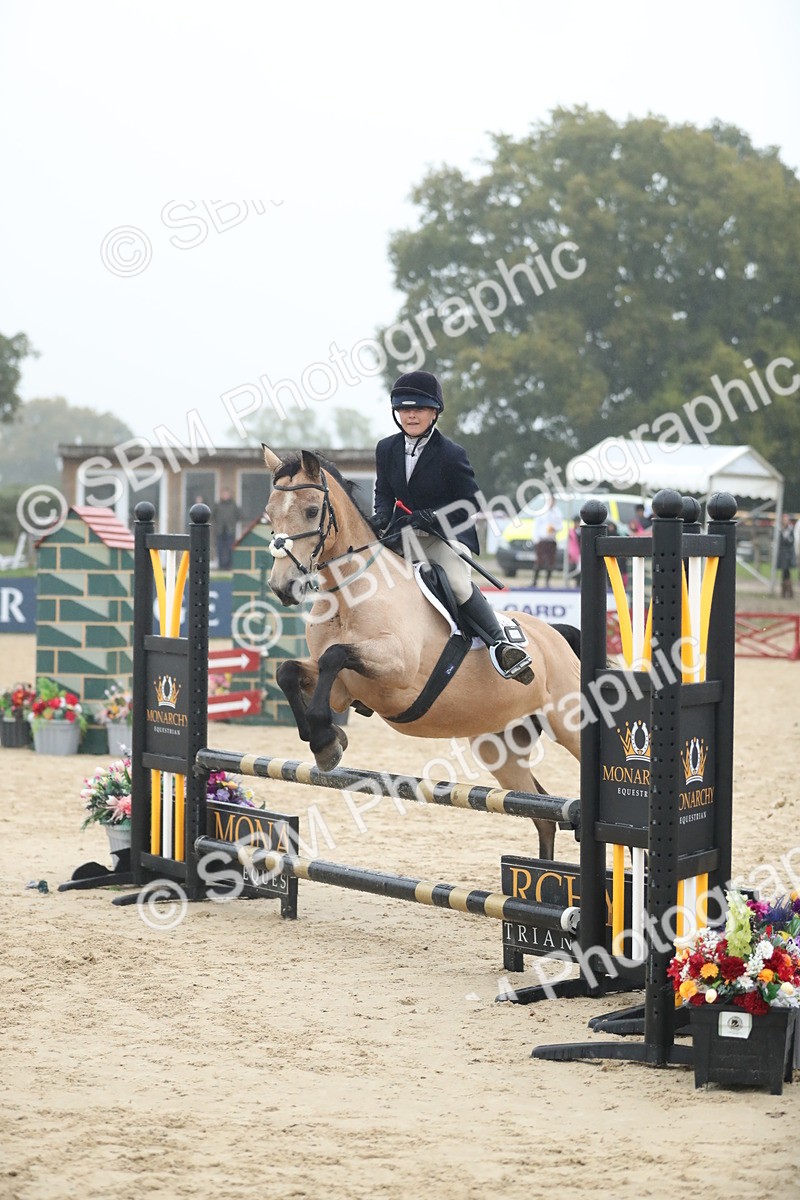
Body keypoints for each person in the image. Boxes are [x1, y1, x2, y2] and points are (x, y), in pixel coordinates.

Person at [373, 370, 533, 684]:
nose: (411, 415)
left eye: (418, 409)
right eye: (405, 409)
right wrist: (380, 515)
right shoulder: (386, 449)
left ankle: (501, 645)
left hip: (444, 536)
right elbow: (384, 492)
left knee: (458, 584)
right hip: (403, 536)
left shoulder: (450, 454)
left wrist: (434, 515)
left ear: (434, 413)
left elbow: (470, 504)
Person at [531, 494, 564, 588]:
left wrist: (555, 528)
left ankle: (547, 582)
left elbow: (560, 525)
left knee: (550, 562)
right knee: (539, 562)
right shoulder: (542, 512)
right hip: (542, 540)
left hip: (551, 540)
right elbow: (536, 526)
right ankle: (534, 581)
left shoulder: (557, 512)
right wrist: (536, 539)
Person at [212, 486, 241, 571]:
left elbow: (239, 516)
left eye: (227, 494)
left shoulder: (233, 505)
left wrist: (232, 523)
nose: (225, 496)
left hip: (230, 531)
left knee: (230, 548)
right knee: (220, 548)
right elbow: (212, 516)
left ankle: (229, 566)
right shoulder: (217, 505)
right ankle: (221, 566)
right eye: (224, 494)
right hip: (220, 531)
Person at [776, 512, 797, 599]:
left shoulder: (790, 530)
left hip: (788, 554)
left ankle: (788, 592)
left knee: (787, 573)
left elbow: (791, 542)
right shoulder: (780, 529)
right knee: (784, 573)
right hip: (783, 554)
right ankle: (785, 592)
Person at [567, 515, 581, 588]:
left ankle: (578, 583)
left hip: (580, 553)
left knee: (579, 570)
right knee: (572, 569)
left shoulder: (581, 532)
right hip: (573, 553)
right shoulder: (571, 532)